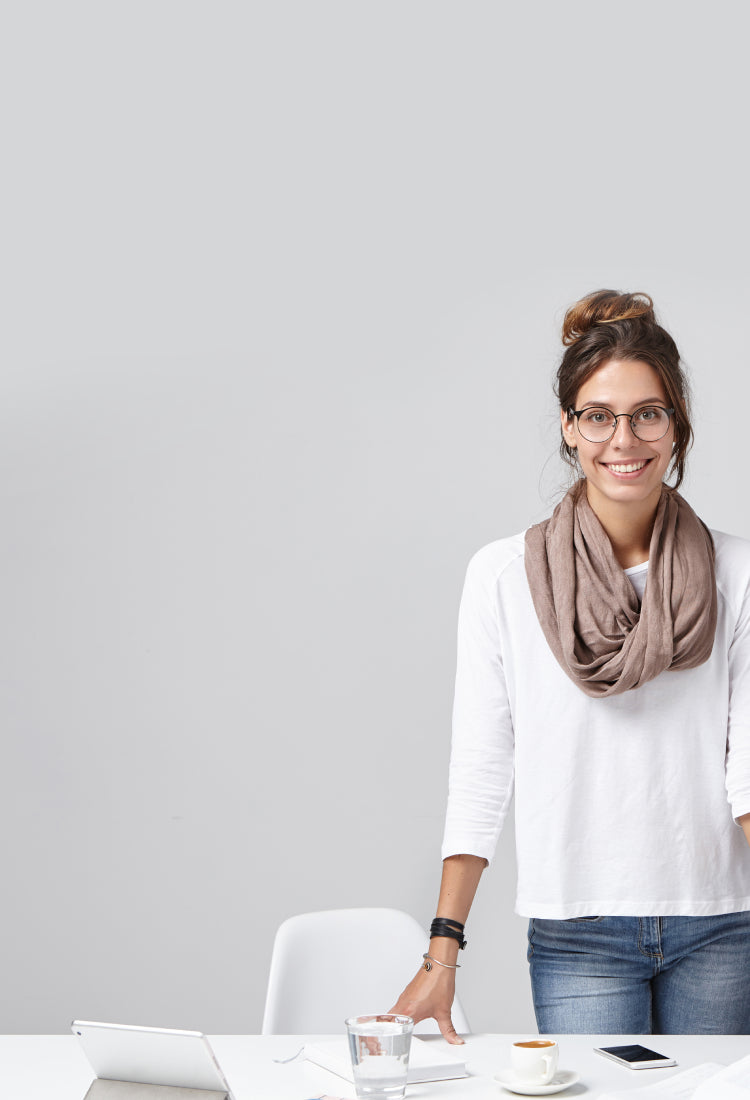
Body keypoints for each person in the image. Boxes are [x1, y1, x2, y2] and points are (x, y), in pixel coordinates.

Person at [390, 289, 750, 1038]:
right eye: (599, 416)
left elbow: (748, 767)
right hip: (578, 930)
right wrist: (441, 952)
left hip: (721, 922)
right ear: (568, 427)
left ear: (677, 423)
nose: (625, 438)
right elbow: (482, 768)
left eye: (648, 413)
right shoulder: (503, 576)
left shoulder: (736, 572)